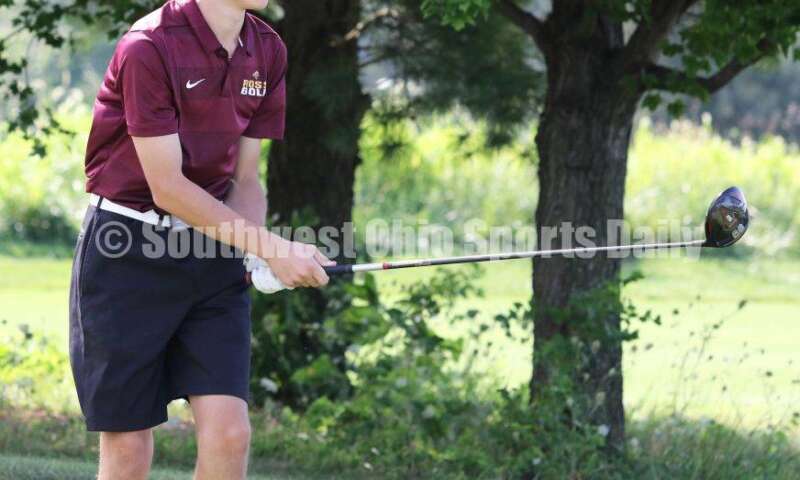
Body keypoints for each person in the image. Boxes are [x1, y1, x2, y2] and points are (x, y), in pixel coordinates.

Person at [71, 1, 332, 478]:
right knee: (128, 447)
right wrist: (271, 246)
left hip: (212, 254)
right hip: (126, 250)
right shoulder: (148, 46)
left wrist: (252, 254)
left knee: (231, 433)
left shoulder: (267, 48)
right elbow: (167, 187)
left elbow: (246, 179)